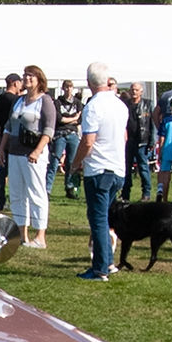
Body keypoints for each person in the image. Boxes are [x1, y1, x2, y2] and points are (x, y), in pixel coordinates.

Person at [70, 61, 129, 281]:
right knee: (104, 216)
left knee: (98, 218)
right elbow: (123, 136)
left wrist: (75, 163)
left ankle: (100, 268)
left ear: (89, 83)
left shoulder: (93, 106)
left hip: (99, 169)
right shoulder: (120, 105)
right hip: (118, 168)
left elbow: (88, 141)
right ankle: (108, 262)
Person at [6, 65, 56, 248]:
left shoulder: (45, 101)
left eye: (31, 76)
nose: (27, 78)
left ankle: (40, 235)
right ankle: (22, 235)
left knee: (36, 193)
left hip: (33, 154)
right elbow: (8, 126)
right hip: (15, 152)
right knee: (17, 194)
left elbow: (49, 129)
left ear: (38, 80)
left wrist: (37, 150)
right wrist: (3, 147)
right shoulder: (18, 101)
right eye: (25, 75)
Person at [0, 73, 22, 209]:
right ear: (15, 83)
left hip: (3, 135)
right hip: (14, 137)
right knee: (14, 170)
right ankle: (14, 200)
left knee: (2, 170)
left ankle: (0, 200)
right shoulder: (17, 100)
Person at [46, 79, 81, 198]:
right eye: (66, 87)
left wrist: (71, 119)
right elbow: (59, 119)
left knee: (71, 163)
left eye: (70, 87)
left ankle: (70, 188)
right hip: (60, 134)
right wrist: (73, 118)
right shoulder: (57, 102)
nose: (68, 89)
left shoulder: (77, 102)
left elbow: (80, 119)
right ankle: (47, 189)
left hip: (73, 134)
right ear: (63, 88)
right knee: (54, 162)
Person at [122, 81, 155, 201]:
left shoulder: (148, 104)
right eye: (132, 89)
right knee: (126, 168)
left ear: (141, 91)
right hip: (128, 141)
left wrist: (152, 140)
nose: (134, 92)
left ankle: (146, 193)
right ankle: (125, 193)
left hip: (142, 141)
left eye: (136, 90)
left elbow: (153, 124)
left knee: (143, 167)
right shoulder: (125, 105)